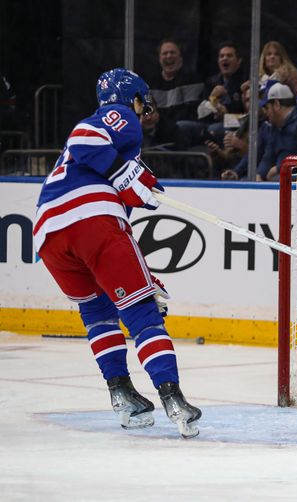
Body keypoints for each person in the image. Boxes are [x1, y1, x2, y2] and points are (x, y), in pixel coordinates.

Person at [32, 68, 201, 438]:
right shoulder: (121, 116)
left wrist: (136, 181)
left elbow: (111, 218)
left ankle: (122, 393)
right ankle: (173, 397)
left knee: (98, 311)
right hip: (90, 219)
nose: (143, 112)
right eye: (143, 103)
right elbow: (82, 135)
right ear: (135, 98)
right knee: (142, 310)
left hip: (49, 233)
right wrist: (123, 173)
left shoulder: (118, 157)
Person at [147, 39, 204, 126]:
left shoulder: (193, 81)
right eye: (165, 53)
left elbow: (191, 112)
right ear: (159, 59)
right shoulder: (151, 85)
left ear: (181, 58)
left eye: (172, 52)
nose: (169, 56)